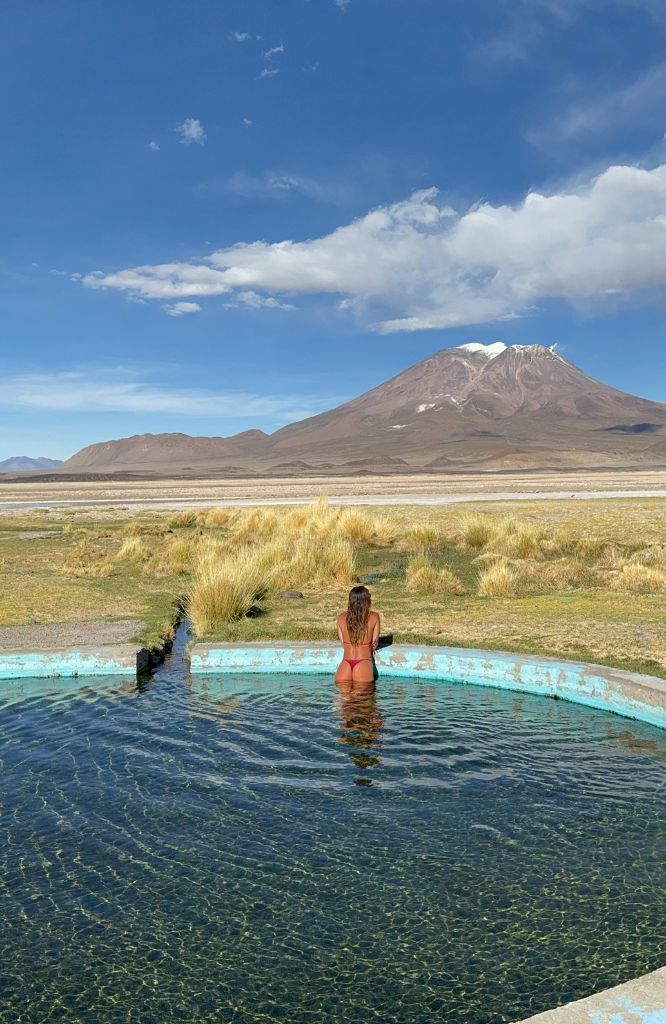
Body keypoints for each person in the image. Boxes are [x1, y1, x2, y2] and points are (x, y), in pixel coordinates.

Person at [335, 585, 380, 687]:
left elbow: (343, 643)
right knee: (362, 701)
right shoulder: (374, 617)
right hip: (363, 663)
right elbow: (374, 645)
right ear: (366, 601)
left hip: (345, 664)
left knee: (344, 702)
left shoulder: (341, 618)